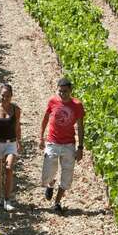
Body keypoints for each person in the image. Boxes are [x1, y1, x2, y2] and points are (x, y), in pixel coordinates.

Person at [39, 77, 85, 214]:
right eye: (60, 91)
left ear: (71, 90)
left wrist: (80, 148)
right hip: (52, 142)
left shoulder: (77, 105)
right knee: (47, 173)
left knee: (67, 176)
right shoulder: (52, 101)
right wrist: (41, 137)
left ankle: (57, 202)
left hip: (68, 145)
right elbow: (45, 119)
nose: (62, 94)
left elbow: (81, 127)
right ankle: (51, 184)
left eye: (65, 91)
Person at [0, 83, 22, 211]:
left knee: (8, 168)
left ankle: (7, 200)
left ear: (11, 96)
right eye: (3, 95)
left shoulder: (16, 110)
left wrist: (19, 141)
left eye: (7, 96)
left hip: (11, 143)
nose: (5, 98)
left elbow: (18, 127)